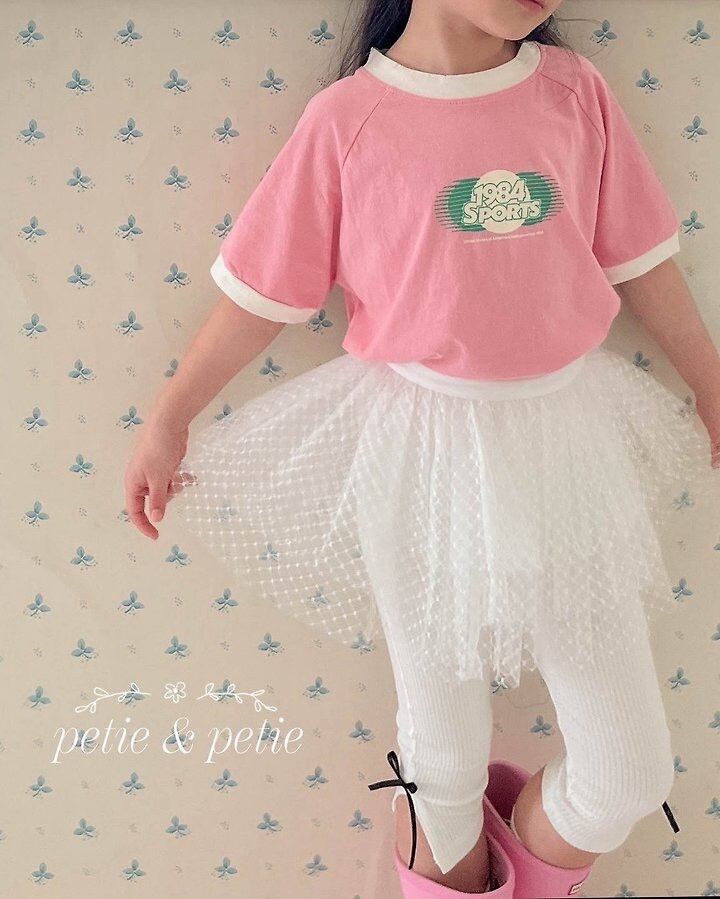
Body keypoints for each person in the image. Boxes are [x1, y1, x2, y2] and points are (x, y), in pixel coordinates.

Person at [124, 1, 720, 896]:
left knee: (627, 770)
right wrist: (170, 415)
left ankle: (522, 861)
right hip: (419, 452)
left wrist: (711, 380)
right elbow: (262, 289)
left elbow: (642, 258)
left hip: (568, 441)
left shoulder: (573, 94)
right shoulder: (348, 120)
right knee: (440, 762)